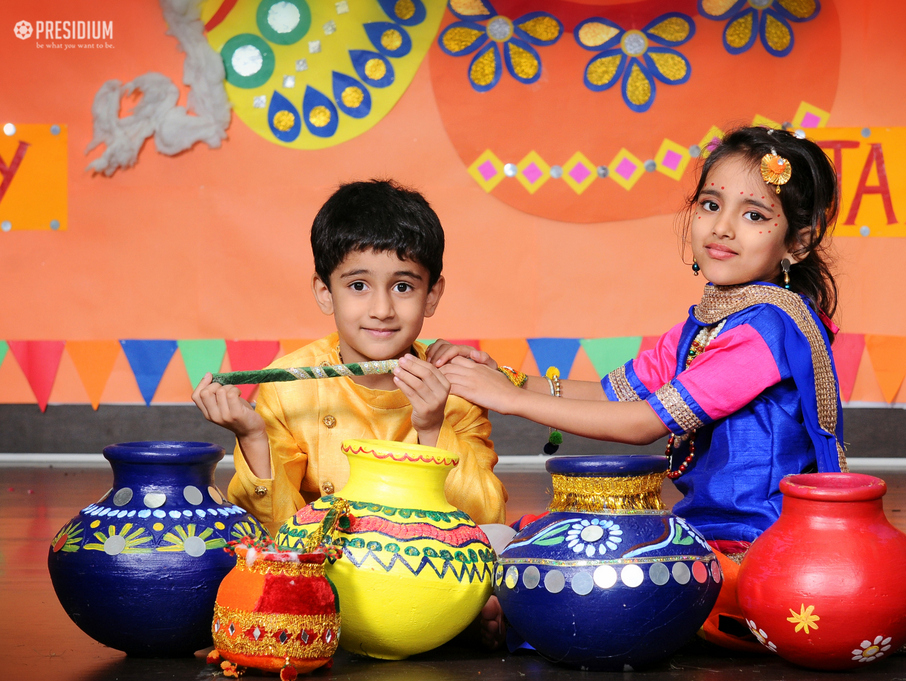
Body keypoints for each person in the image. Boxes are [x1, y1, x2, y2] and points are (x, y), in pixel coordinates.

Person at [431, 126, 846, 651]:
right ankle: (510, 614)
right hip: (704, 539)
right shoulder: (711, 321)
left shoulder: (767, 331)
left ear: (800, 241)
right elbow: (615, 393)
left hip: (756, 560)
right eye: (710, 204)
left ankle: (510, 617)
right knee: (539, 536)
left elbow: (644, 423)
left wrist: (510, 401)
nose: (722, 228)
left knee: (590, 562)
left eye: (755, 215)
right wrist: (505, 376)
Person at [192, 179, 508, 538]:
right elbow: (271, 536)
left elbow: (486, 521)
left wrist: (434, 426)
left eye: (402, 287)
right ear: (325, 293)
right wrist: (251, 437)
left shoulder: (456, 386)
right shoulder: (287, 387)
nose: (382, 310)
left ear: (432, 295)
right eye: (358, 285)